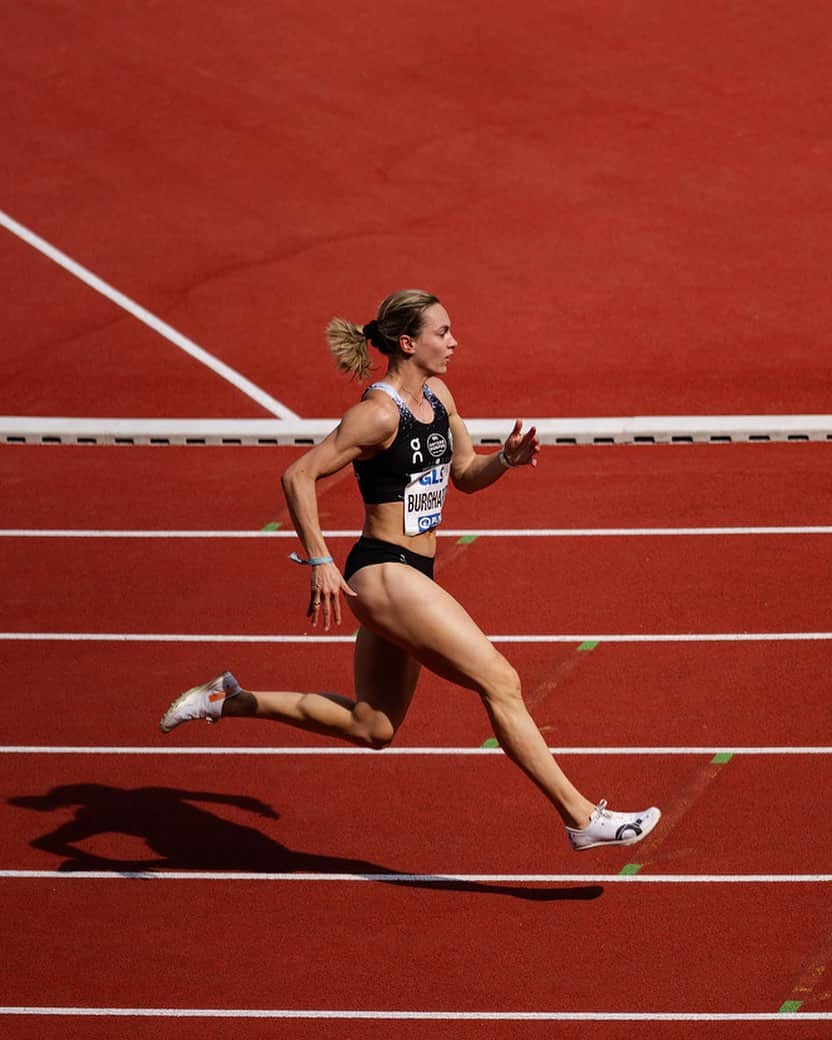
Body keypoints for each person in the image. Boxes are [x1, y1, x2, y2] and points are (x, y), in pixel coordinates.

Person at [160, 289, 660, 851]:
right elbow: (298, 475)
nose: (454, 342)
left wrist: (507, 460)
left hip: (415, 573)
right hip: (381, 571)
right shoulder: (375, 414)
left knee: (371, 726)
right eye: (442, 332)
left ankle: (227, 699)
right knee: (500, 680)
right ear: (407, 342)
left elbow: (466, 473)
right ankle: (580, 816)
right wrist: (320, 560)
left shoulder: (439, 396)